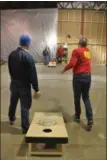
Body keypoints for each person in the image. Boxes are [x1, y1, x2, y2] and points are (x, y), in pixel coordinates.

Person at [8, 35, 40, 134]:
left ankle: (11, 118)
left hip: (14, 83)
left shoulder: (12, 54)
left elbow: (10, 69)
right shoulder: (28, 57)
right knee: (25, 106)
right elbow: (32, 74)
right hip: (24, 86)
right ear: (27, 44)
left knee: (13, 102)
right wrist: (36, 88)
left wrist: (12, 80)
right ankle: (25, 127)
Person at [61, 37, 93, 131]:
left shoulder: (76, 51)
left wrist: (64, 69)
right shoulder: (87, 51)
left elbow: (72, 64)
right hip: (88, 76)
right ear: (86, 44)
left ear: (79, 43)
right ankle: (90, 119)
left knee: (77, 97)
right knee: (86, 97)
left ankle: (78, 116)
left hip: (78, 78)